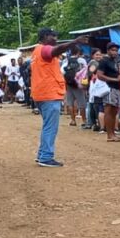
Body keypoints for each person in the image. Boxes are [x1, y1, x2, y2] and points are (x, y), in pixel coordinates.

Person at [31, 28, 89, 167]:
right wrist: (74, 41)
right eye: (53, 37)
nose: (56, 40)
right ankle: (45, 157)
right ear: (45, 37)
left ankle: (42, 155)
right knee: (50, 127)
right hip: (49, 94)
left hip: (41, 93)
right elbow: (55, 50)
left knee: (47, 126)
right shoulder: (45, 49)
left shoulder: (36, 51)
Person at [98, 43, 120, 142]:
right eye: (113, 50)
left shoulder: (115, 61)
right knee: (108, 111)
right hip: (109, 88)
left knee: (114, 111)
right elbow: (99, 75)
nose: (115, 52)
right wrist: (114, 80)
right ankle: (109, 135)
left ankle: (113, 133)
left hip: (116, 88)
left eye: (116, 50)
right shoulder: (104, 61)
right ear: (108, 50)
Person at [63, 47, 87, 127]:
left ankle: (73, 120)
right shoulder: (82, 61)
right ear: (78, 52)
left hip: (69, 84)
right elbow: (85, 72)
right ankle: (84, 121)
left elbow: (62, 72)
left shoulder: (66, 61)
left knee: (70, 103)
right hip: (78, 84)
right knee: (82, 103)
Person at [85, 49, 104, 133]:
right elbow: (90, 73)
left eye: (100, 55)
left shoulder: (93, 62)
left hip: (94, 86)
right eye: (97, 55)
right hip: (93, 86)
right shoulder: (94, 63)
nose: (98, 56)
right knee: (93, 104)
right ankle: (92, 123)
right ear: (93, 55)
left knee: (92, 104)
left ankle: (93, 123)